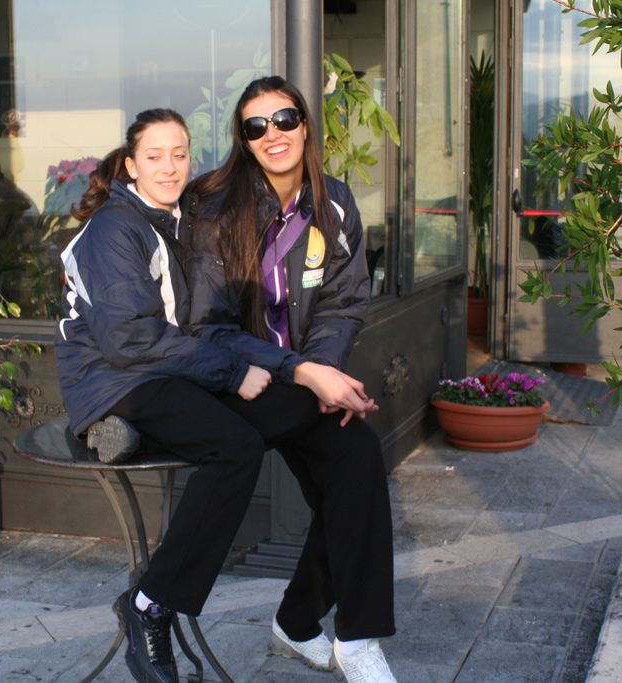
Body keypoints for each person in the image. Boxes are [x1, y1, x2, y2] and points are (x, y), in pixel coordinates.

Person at [54, 108, 373, 683]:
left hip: (173, 374)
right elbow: (130, 340)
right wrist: (232, 372)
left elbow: (201, 325)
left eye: (179, 155)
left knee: (320, 419)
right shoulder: (115, 228)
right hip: (116, 381)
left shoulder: (179, 221)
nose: (169, 166)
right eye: (154, 156)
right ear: (131, 165)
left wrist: (311, 378)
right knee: (234, 447)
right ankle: (150, 604)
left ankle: (309, 618)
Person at [182, 76, 398, 682]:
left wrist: (322, 368)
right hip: (236, 381)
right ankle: (301, 624)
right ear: (244, 140)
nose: (272, 134)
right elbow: (208, 328)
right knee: (351, 462)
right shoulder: (215, 209)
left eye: (283, 119)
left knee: (355, 464)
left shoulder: (335, 202)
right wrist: (306, 373)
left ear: (305, 125)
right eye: (256, 126)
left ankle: (346, 636)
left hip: (301, 380)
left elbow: (343, 302)